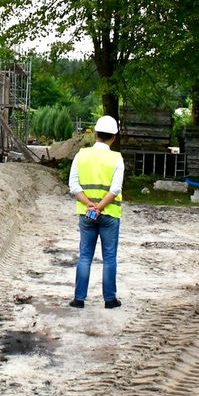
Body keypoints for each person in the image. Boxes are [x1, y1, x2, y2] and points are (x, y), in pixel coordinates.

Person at [68, 115, 124, 309]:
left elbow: (73, 185)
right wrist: (100, 207)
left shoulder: (81, 155)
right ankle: (110, 300)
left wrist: (89, 205)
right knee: (109, 257)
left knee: (85, 256)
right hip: (109, 214)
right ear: (114, 137)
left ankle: (79, 299)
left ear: (96, 134)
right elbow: (115, 189)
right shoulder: (116, 158)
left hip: (86, 214)